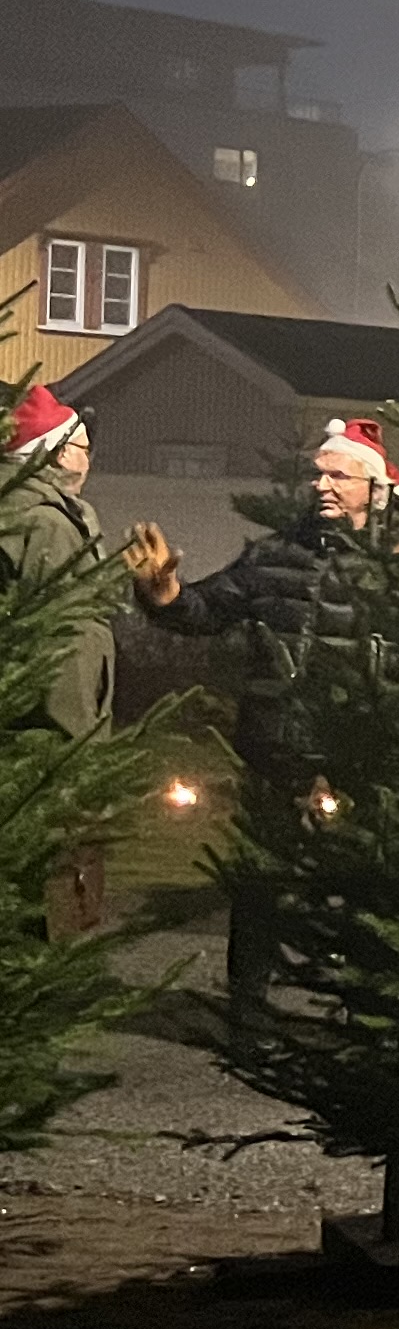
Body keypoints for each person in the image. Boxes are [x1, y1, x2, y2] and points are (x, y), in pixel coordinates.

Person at [126, 417, 381, 1016]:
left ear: (373, 487)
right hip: (275, 744)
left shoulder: (395, 568)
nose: (323, 485)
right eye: (319, 474)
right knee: (260, 880)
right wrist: (163, 592)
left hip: (357, 749)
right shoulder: (273, 556)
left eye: (339, 476)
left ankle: (361, 1005)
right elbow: (206, 609)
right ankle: (248, 1003)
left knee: (359, 880)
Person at [2, 385, 118, 937]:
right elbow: (64, 641)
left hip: (42, 733)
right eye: (83, 448)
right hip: (52, 743)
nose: (89, 460)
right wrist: (76, 743)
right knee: (53, 884)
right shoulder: (46, 524)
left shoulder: (61, 515)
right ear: (56, 453)